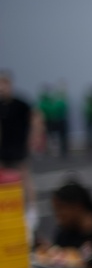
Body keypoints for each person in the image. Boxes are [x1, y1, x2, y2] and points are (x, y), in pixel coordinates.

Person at [0, 70, 37, 226]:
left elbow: (36, 117)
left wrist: (33, 138)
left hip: (19, 146)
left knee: (25, 177)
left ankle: (32, 210)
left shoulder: (20, 104)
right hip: (3, 148)